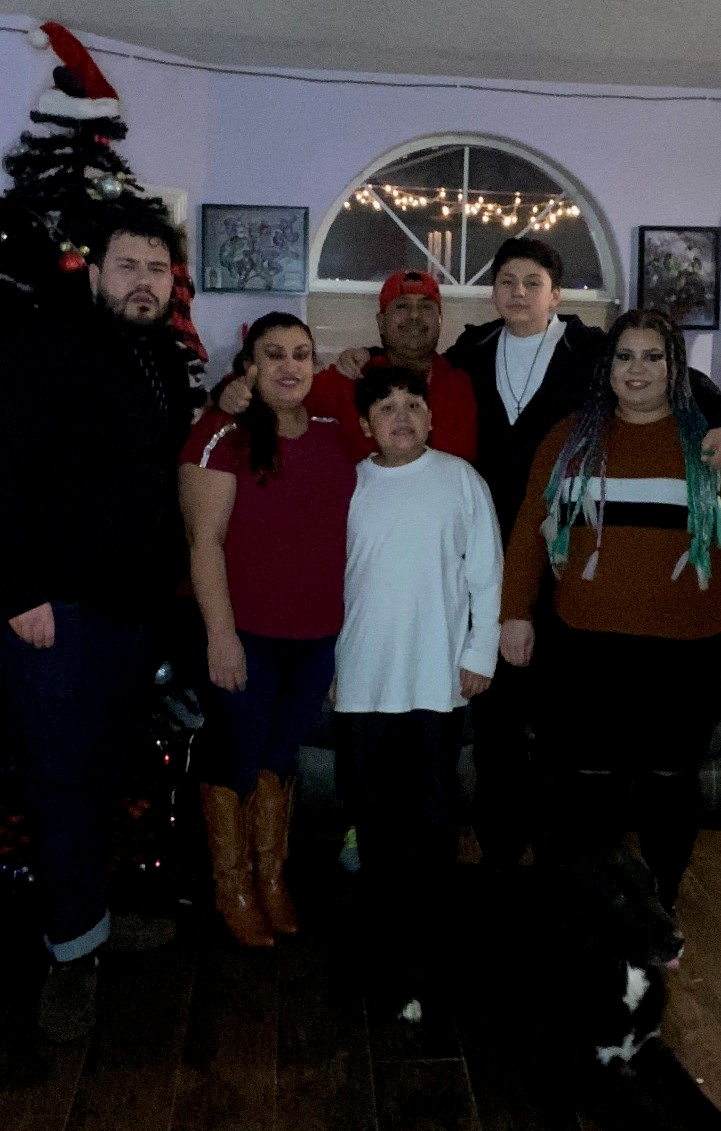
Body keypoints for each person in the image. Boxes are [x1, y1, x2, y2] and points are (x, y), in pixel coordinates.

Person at [0, 213, 195, 1041]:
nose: (143, 279)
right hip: (58, 611)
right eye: (128, 264)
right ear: (94, 272)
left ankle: (96, 916)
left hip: (133, 611)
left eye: (157, 266)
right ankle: (70, 952)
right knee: (60, 779)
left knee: (108, 768)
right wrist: (20, 589)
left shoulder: (160, 357)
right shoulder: (43, 347)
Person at [500, 309, 721, 911]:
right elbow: (527, 529)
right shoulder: (568, 438)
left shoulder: (709, 442)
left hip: (687, 645)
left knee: (669, 784)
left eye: (655, 357)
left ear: (675, 368)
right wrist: (514, 612)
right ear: (608, 367)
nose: (639, 370)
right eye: (626, 356)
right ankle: (595, 905)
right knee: (587, 782)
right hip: (584, 644)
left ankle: (662, 902)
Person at [179, 313, 356, 948]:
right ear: (248, 366)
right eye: (273, 354)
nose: (289, 366)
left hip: (317, 636)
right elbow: (205, 544)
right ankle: (231, 885)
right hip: (245, 632)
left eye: (302, 355)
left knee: (282, 758)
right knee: (238, 754)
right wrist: (220, 637)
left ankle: (270, 876)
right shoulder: (218, 434)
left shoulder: (338, 435)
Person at [333, 365, 502, 1015]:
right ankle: (382, 952)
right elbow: (329, 581)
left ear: (431, 417)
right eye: (385, 407)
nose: (400, 416)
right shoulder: (347, 486)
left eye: (412, 405)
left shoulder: (459, 480)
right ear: (363, 423)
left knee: (432, 823)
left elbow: (485, 574)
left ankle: (436, 953)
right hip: (361, 684)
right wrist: (330, 662)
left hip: (435, 682)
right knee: (375, 824)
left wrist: (476, 651)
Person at [217, 269, 478, 464]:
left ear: (440, 320)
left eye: (426, 307)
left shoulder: (466, 380)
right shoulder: (349, 378)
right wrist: (227, 390)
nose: (414, 316)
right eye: (401, 306)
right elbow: (280, 386)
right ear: (380, 321)